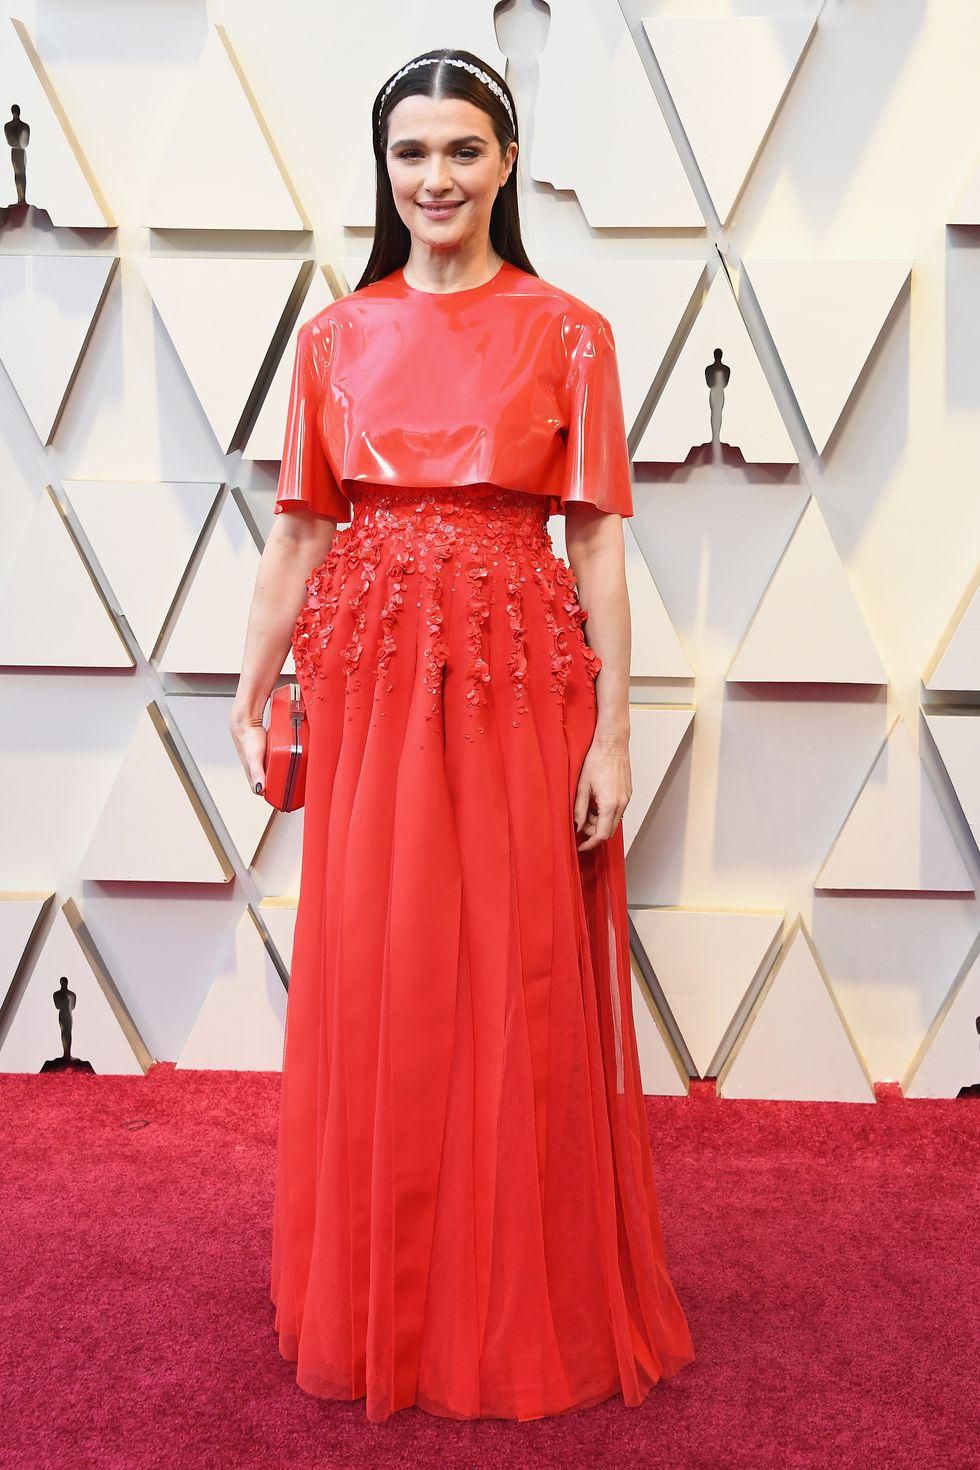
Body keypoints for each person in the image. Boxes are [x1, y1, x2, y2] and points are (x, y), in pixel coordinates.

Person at [230, 48, 696, 1423]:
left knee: (514, 977)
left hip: (514, 678)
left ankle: (510, 1301)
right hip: (372, 679)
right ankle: (389, 1286)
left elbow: (601, 542)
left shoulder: (571, 331)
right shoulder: (335, 336)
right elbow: (300, 530)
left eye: (462, 151)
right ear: (385, 171)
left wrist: (615, 734)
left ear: (505, 162)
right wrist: (250, 683)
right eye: (410, 154)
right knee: (384, 973)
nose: (434, 178)